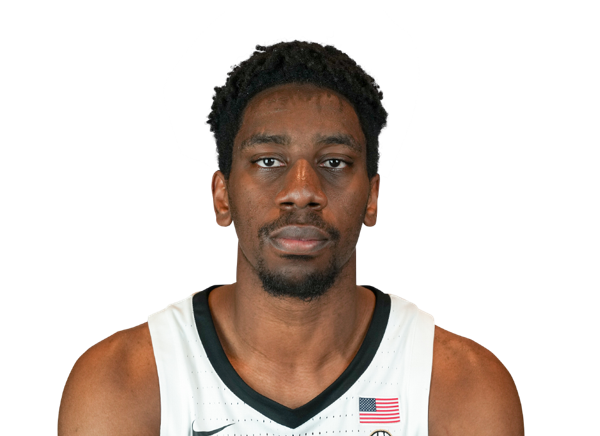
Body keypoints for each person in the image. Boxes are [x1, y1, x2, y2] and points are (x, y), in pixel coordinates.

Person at [58, 40, 524, 435]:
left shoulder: (460, 387)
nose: (302, 190)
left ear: (372, 197)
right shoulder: (125, 383)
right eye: (268, 161)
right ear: (222, 196)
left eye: (334, 162)